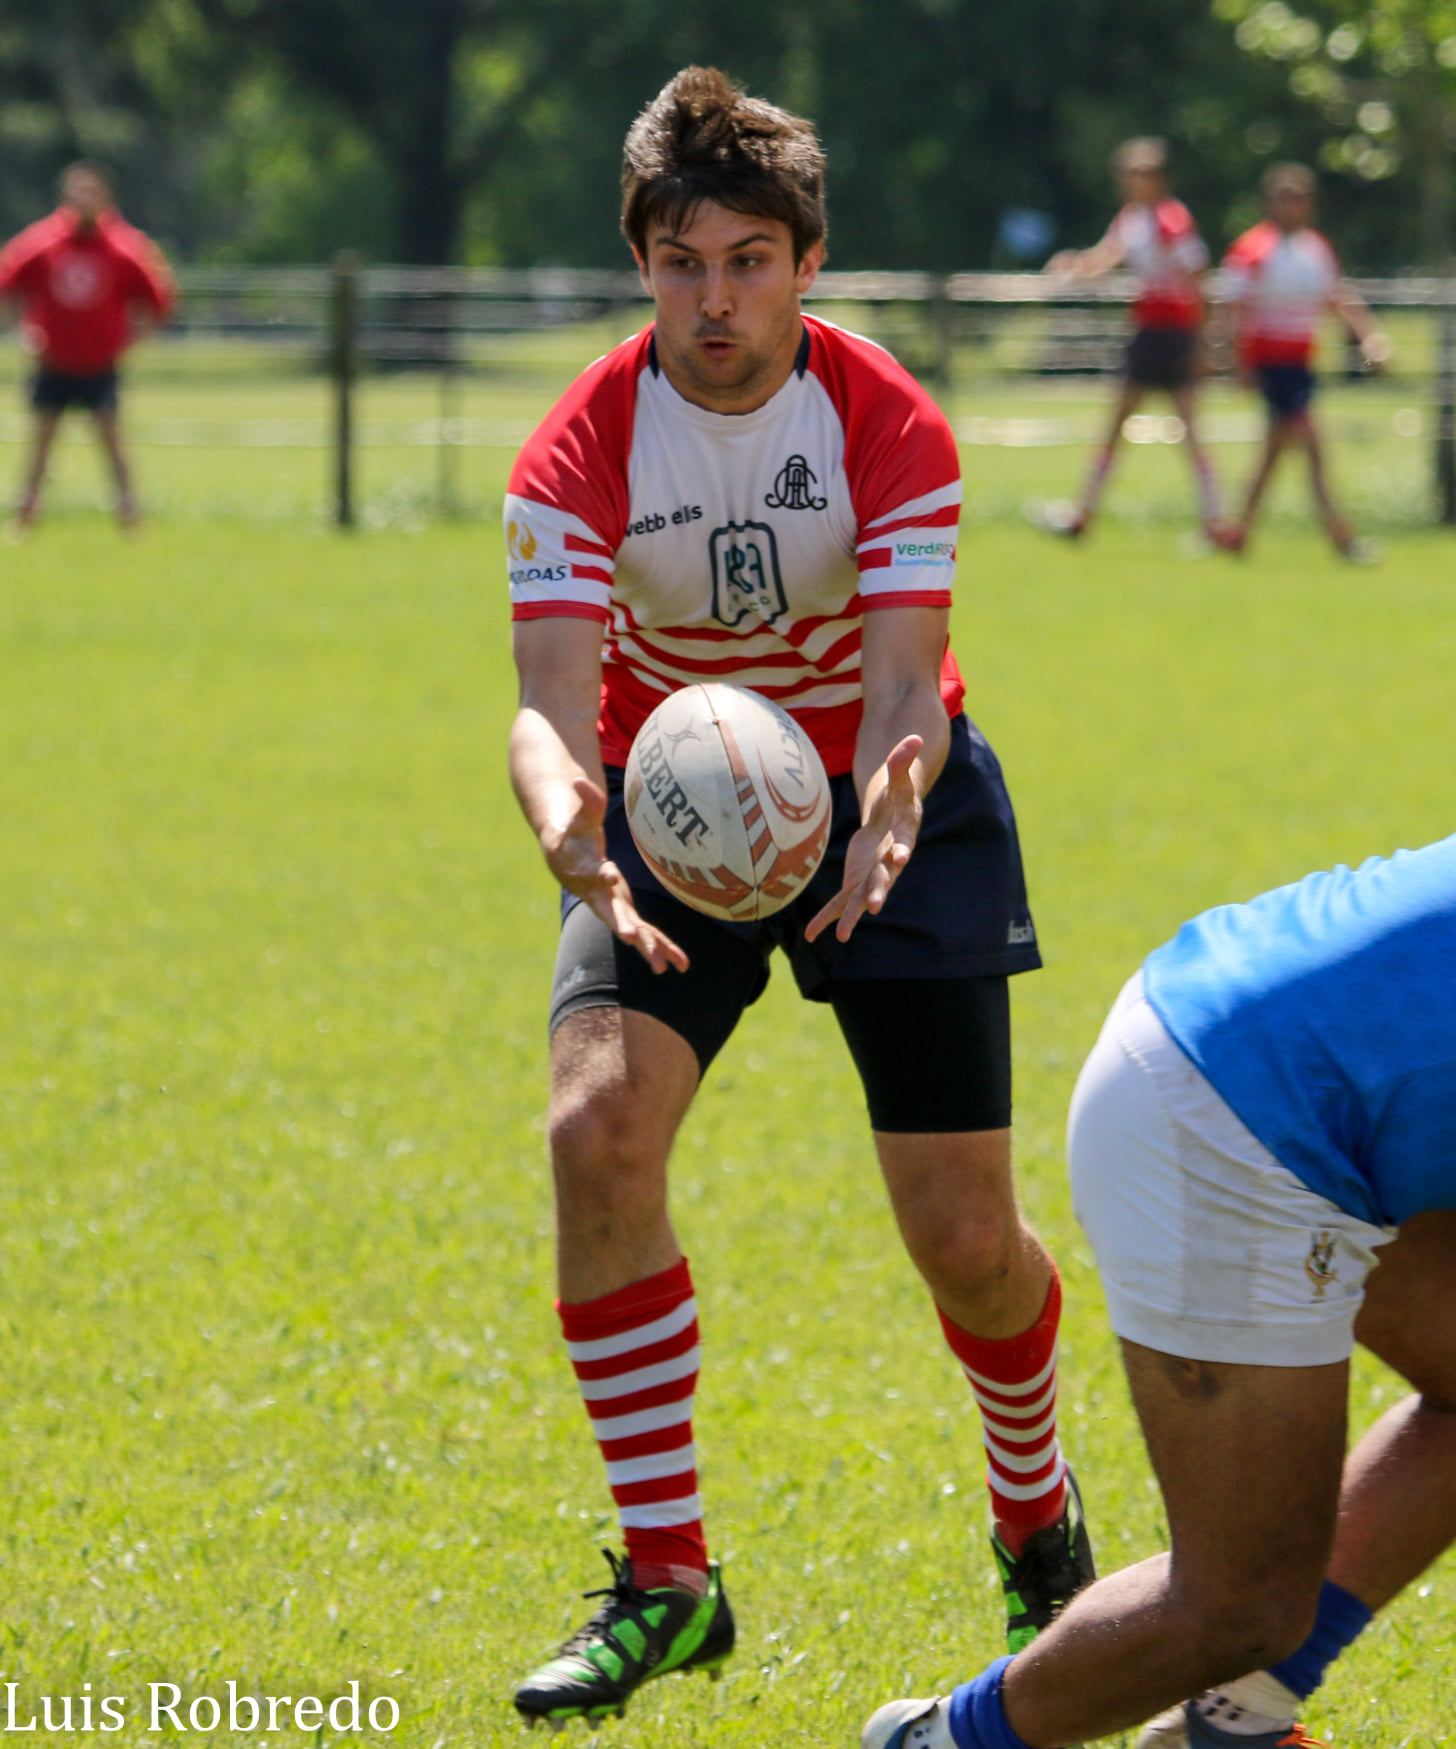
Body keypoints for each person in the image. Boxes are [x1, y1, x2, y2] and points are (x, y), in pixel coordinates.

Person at [505, 64, 1094, 1729]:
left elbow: (906, 680)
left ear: (807, 262)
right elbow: (548, 706)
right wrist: (566, 818)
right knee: (594, 1132)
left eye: (749, 261)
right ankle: (667, 1579)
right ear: (641, 262)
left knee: (965, 1240)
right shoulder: (576, 447)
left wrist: (889, 801)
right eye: (681, 261)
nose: (715, 300)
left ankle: (1038, 1514)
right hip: (667, 815)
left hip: (887, 806)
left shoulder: (888, 419)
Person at [864, 833, 1456, 1749]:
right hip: (1226, 1107)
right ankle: (944, 1742)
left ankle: (1232, 1721)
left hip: (1259, 1050)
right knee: (1240, 1604)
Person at [1032, 138, 1222, 541]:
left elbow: (1198, 279)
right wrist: (1073, 264)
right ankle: (1082, 513)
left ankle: (1214, 521)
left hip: (1174, 334)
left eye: (1144, 173)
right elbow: (1106, 258)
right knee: (1116, 426)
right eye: (1130, 173)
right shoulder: (1132, 219)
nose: (1135, 180)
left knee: (1190, 431)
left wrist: (1203, 342)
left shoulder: (1172, 221)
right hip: (1146, 333)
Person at [1218, 163, 1389, 561]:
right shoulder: (1253, 249)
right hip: (1271, 364)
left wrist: (1370, 337)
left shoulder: (1316, 249)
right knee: (1312, 448)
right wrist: (1238, 363)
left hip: (1300, 364)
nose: (1291, 206)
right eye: (1284, 198)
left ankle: (1236, 531)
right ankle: (1341, 536)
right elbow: (1233, 309)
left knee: (1274, 454)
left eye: (1298, 199)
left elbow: (1337, 298)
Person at [0, 160, 174, 535]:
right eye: (76, 193)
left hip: (99, 363)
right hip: (54, 360)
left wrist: (128, 341)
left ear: (105, 197)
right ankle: (25, 516)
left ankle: (129, 517)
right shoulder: (42, 242)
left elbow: (159, 299)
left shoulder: (126, 246)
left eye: (91, 193)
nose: (83, 201)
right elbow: (7, 282)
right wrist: (22, 332)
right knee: (42, 441)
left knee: (112, 440)